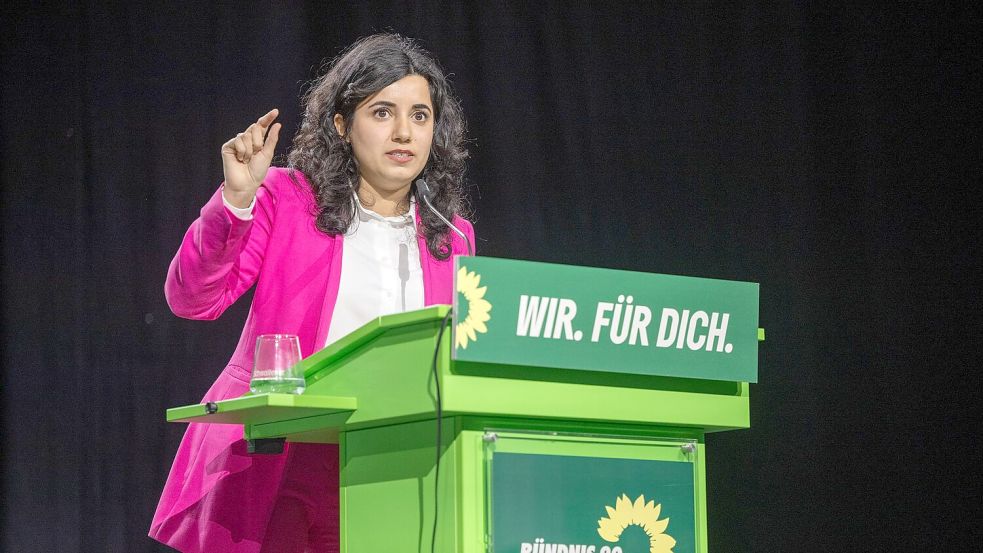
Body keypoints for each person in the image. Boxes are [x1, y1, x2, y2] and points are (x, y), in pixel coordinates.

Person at [149, 34, 474, 553]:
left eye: (420, 115)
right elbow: (193, 298)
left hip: (390, 464)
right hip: (282, 458)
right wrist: (236, 199)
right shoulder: (288, 200)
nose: (404, 132)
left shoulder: (450, 236)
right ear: (343, 126)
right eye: (382, 112)